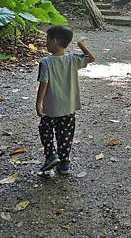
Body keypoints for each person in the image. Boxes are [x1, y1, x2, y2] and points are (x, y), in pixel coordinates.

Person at [36, 25, 96, 175]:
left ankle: (51, 155)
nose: (46, 42)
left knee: (45, 129)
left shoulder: (46, 62)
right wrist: (81, 45)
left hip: (51, 108)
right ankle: (64, 163)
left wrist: (39, 103)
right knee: (66, 136)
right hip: (69, 107)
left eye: (47, 39)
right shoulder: (73, 60)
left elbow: (44, 84)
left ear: (54, 40)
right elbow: (92, 58)